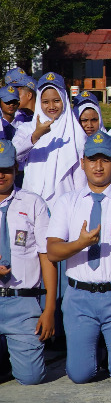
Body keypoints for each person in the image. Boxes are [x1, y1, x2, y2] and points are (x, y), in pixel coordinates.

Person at [47, 131, 111, 383]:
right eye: (92, 160)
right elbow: (53, 252)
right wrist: (79, 244)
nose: (98, 166)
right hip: (80, 298)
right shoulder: (67, 202)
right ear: (82, 162)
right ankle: (95, 352)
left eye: (105, 160)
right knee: (80, 375)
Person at [0, 138, 55, 384]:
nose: (1, 175)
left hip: (22, 304)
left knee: (32, 378)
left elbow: (47, 257)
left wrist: (49, 309)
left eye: (5, 169)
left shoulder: (33, 203)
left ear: (16, 169)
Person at [17, 72, 81, 202]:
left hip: (65, 201)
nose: (51, 106)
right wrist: (36, 135)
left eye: (56, 101)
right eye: (45, 102)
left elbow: (81, 178)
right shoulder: (26, 129)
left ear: (64, 99)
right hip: (32, 200)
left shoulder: (76, 133)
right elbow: (14, 155)